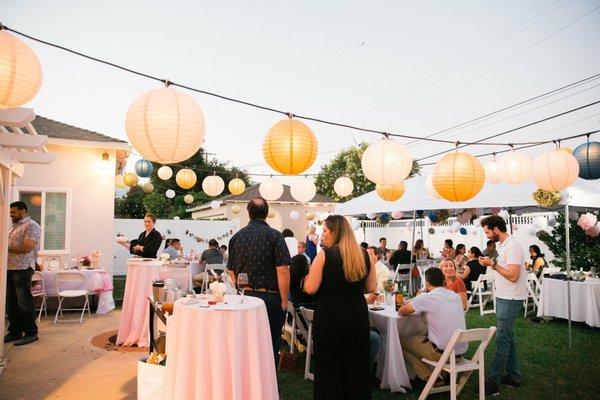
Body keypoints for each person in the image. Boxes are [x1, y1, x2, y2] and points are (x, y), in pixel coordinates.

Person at [304, 215, 376, 399]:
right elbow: (371, 288)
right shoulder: (363, 255)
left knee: (328, 370)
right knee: (357, 369)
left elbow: (310, 288)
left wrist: (305, 279)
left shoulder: (325, 255)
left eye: (325, 231)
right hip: (357, 317)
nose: (323, 235)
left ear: (335, 232)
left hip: (330, 317)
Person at [227, 197, 291, 366]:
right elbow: (283, 269)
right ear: (266, 213)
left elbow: (230, 269)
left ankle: (247, 386)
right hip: (269, 298)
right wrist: (284, 300)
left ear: (249, 212)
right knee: (270, 345)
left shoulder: (236, 238)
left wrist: (240, 288)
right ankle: (268, 389)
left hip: (245, 297)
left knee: (246, 346)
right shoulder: (275, 236)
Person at [479, 215, 527, 396]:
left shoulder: (513, 246)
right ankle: (514, 377)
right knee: (508, 336)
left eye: (488, 231)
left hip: (511, 298)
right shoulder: (504, 246)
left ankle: (493, 382)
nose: (487, 235)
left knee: (502, 338)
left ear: (496, 229)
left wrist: (492, 264)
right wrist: (490, 264)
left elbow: (514, 275)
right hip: (504, 296)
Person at [399, 268, 467, 385]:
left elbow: (401, 312)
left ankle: (431, 378)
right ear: (443, 281)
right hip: (460, 353)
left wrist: (419, 297)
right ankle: (443, 373)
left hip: (443, 354)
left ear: (427, 283)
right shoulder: (455, 296)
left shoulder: (426, 297)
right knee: (423, 337)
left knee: (400, 341)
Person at [5, 201, 41, 346]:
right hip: (9, 268)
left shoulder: (32, 226)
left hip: (23, 268)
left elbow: (27, 247)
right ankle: (15, 331)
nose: (10, 214)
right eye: (10, 212)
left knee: (23, 302)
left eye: (13, 212)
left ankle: (31, 332)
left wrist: (4, 247)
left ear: (23, 211)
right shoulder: (14, 227)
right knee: (11, 303)